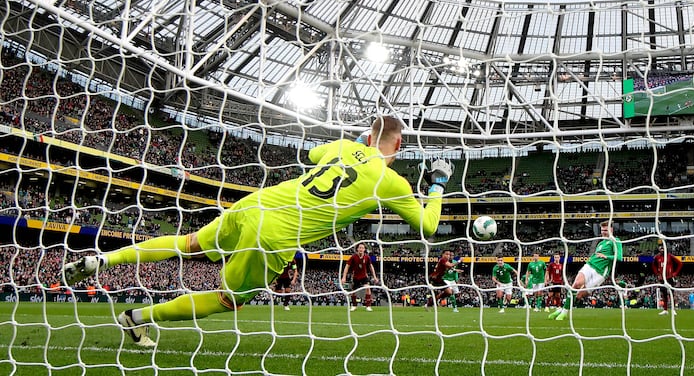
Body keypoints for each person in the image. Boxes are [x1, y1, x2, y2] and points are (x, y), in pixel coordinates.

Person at [62, 115, 451, 347]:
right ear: (398, 143)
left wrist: (355, 146)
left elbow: (315, 156)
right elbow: (429, 226)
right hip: (274, 235)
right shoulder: (392, 181)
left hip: (257, 202)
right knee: (227, 301)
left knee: (187, 242)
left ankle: (103, 258)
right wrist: (436, 184)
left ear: (368, 135)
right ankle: (137, 317)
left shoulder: (341, 146)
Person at [549, 221, 622, 321]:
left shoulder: (616, 241)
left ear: (611, 230)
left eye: (606, 230)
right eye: (602, 230)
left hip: (600, 273)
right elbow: (596, 255)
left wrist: (606, 256)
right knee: (576, 284)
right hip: (589, 265)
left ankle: (562, 309)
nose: (604, 232)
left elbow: (619, 257)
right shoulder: (600, 243)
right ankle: (564, 312)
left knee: (579, 296)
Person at [341, 242, 379, 312]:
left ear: (364, 249)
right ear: (357, 249)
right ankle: (354, 305)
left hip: (364, 276)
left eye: (362, 248)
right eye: (360, 248)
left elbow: (371, 267)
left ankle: (368, 306)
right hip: (355, 277)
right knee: (353, 291)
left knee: (368, 288)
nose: (361, 249)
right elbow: (347, 266)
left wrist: (375, 277)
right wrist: (344, 277)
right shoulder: (353, 257)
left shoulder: (367, 257)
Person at [652, 240, 683, 316]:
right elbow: (653, 265)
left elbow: (680, 263)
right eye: (660, 248)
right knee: (664, 294)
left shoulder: (670, 256)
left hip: (669, 278)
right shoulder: (657, 257)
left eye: (663, 248)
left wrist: (675, 273)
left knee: (671, 294)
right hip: (662, 279)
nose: (661, 249)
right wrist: (657, 274)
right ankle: (665, 310)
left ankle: (673, 310)